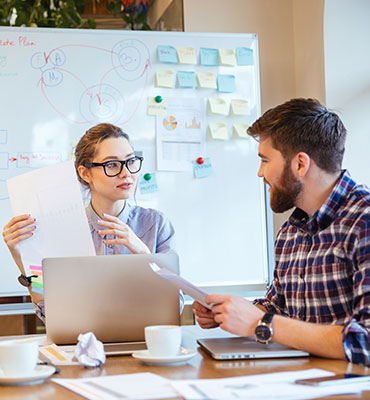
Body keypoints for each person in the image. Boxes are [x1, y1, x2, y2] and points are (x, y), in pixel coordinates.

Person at [192, 98, 370, 366]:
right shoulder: (290, 233)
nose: (260, 173)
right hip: (299, 380)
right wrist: (231, 312)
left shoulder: (363, 222)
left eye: (265, 160)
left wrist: (259, 322)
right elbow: (279, 309)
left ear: (300, 164)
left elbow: (366, 342)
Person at [3, 123, 180, 321]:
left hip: (149, 346)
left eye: (131, 161)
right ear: (85, 173)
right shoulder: (63, 229)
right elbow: (50, 314)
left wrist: (143, 253)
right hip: (83, 344)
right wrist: (22, 260)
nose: (126, 173)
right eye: (111, 164)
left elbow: (175, 305)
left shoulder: (156, 224)